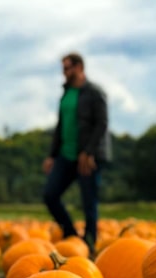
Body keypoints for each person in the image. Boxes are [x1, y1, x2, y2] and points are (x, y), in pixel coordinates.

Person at [42, 52, 111, 256]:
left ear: (80, 67)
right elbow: (61, 126)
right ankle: (71, 234)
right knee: (50, 195)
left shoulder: (94, 92)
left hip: (88, 156)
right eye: (63, 69)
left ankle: (89, 243)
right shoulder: (66, 93)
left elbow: (102, 124)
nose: (65, 72)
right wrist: (52, 155)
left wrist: (88, 152)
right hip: (66, 154)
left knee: (89, 201)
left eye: (68, 68)